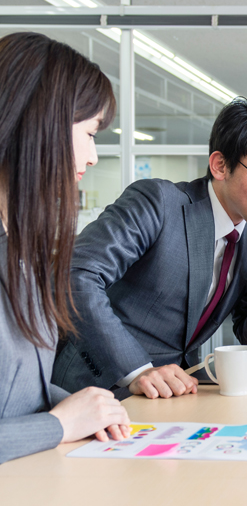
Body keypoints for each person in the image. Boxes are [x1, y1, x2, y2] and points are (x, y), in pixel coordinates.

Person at [53, 97, 247, 399]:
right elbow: (76, 276)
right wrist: (138, 369)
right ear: (220, 165)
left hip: (178, 394)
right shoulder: (158, 203)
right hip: (99, 389)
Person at [0, 32, 131, 464]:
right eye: (90, 133)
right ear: (44, 126)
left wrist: (89, 408)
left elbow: (20, 388)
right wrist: (59, 424)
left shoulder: (19, 248)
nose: (93, 156)